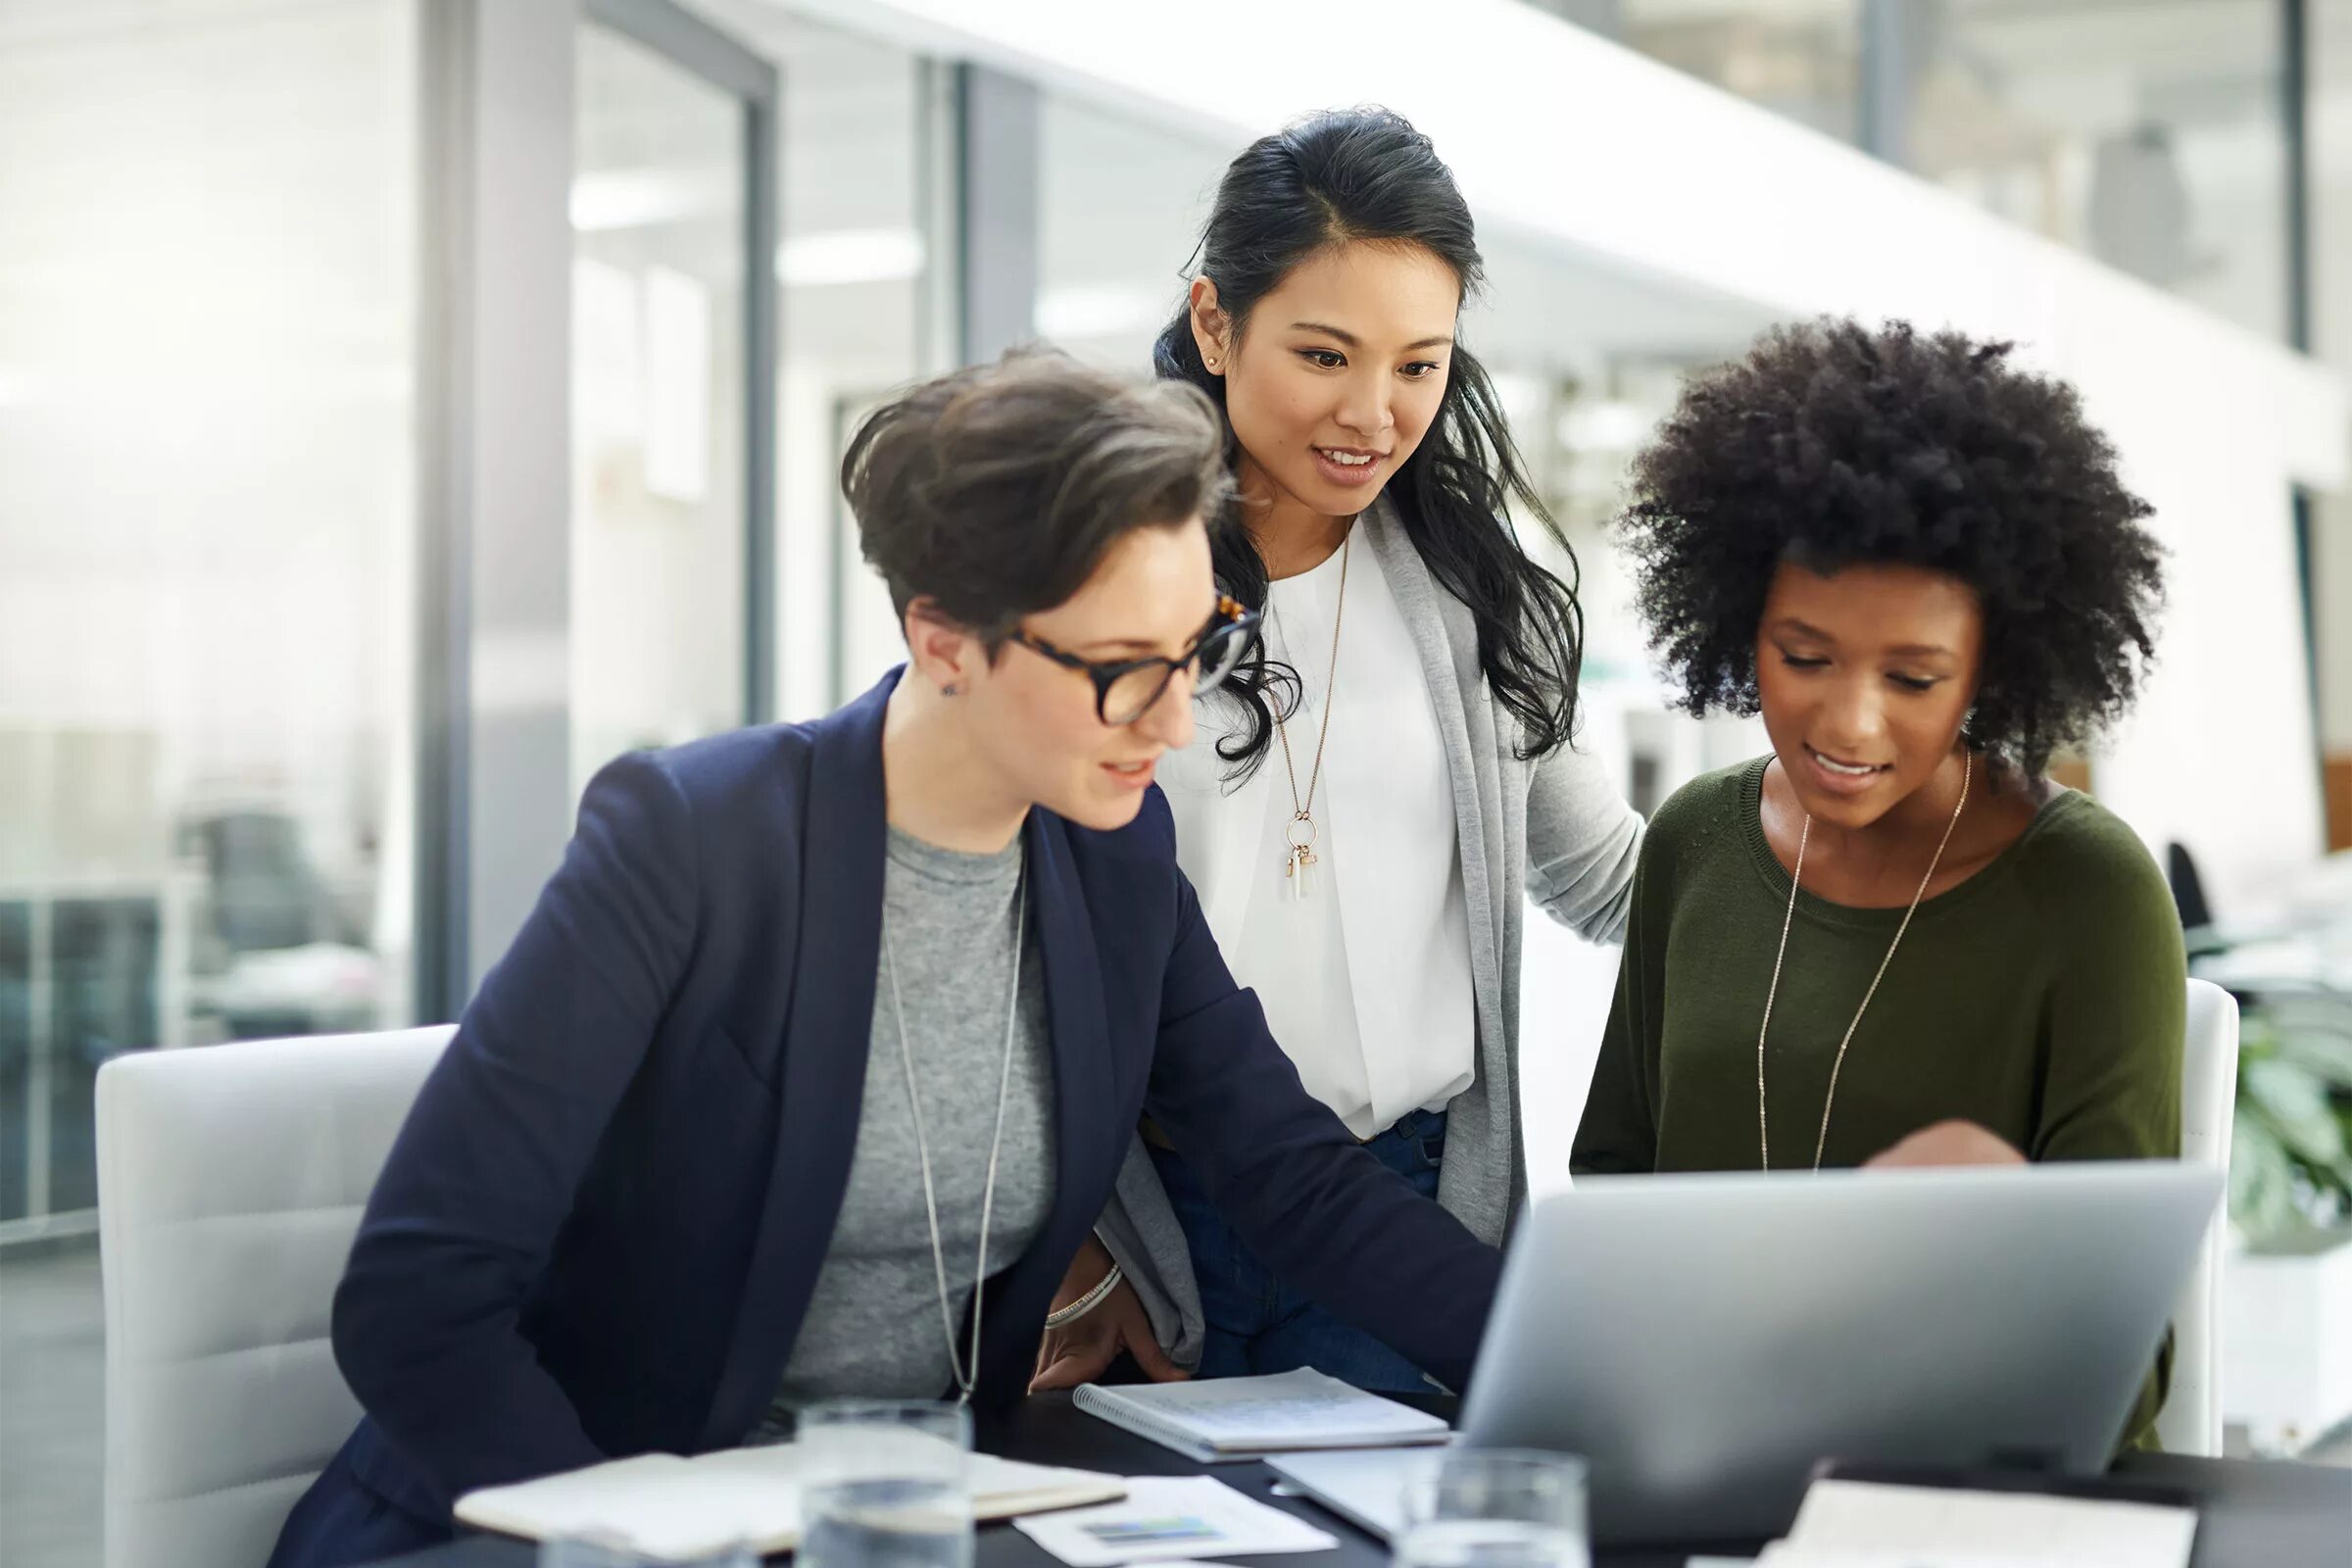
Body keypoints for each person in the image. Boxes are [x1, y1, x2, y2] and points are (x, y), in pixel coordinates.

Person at [267, 350, 1504, 1568]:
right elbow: (418, 1301)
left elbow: (1291, 1175)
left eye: (1196, 654)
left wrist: (1550, 1346)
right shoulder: (693, 842)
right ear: (947, 640)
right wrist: (638, 1549)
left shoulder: (1110, 864)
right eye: (1127, 672)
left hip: (892, 1518)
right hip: (573, 1520)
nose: (1177, 722)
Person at [1031, 108, 1641, 1396]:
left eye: (1420, 366)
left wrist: (1865, 831)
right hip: (1150, 1223)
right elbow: (999, 929)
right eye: (1325, 354)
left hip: (1406, 1211)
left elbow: (1611, 877)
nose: (1374, 413)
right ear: (1214, 324)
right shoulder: (1091, 578)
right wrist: (1081, 1247)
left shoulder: (1476, 596)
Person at [1570, 317, 2181, 1446]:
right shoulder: (1696, 841)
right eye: (1803, 657)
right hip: (1703, 1451)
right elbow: (1613, 1193)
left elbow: (2122, 1364)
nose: (1847, 722)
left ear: (1992, 670)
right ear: (1737, 621)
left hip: (1973, 1488)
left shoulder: (2090, 895)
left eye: (1913, 676)